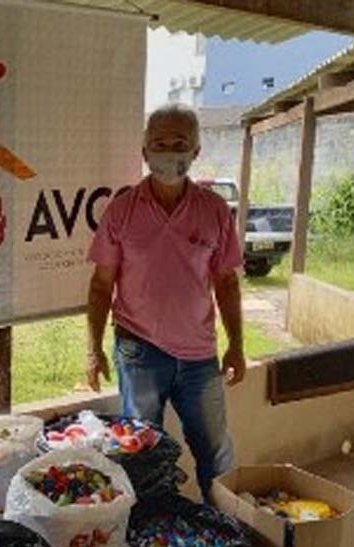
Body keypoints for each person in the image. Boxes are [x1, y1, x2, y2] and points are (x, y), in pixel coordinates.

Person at [85, 104, 245, 501]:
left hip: (200, 358)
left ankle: (227, 528)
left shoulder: (214, 211)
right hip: (139, 352)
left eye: (180, 144)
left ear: (196, 152)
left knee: (216, 452)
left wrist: (237, 346)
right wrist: (93, 351)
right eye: (159, 143)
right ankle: (151, 536)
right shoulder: (121, 212)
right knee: (140, 454)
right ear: (144, 152)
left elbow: (226, 282)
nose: (169, 151)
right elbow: (101, 286)